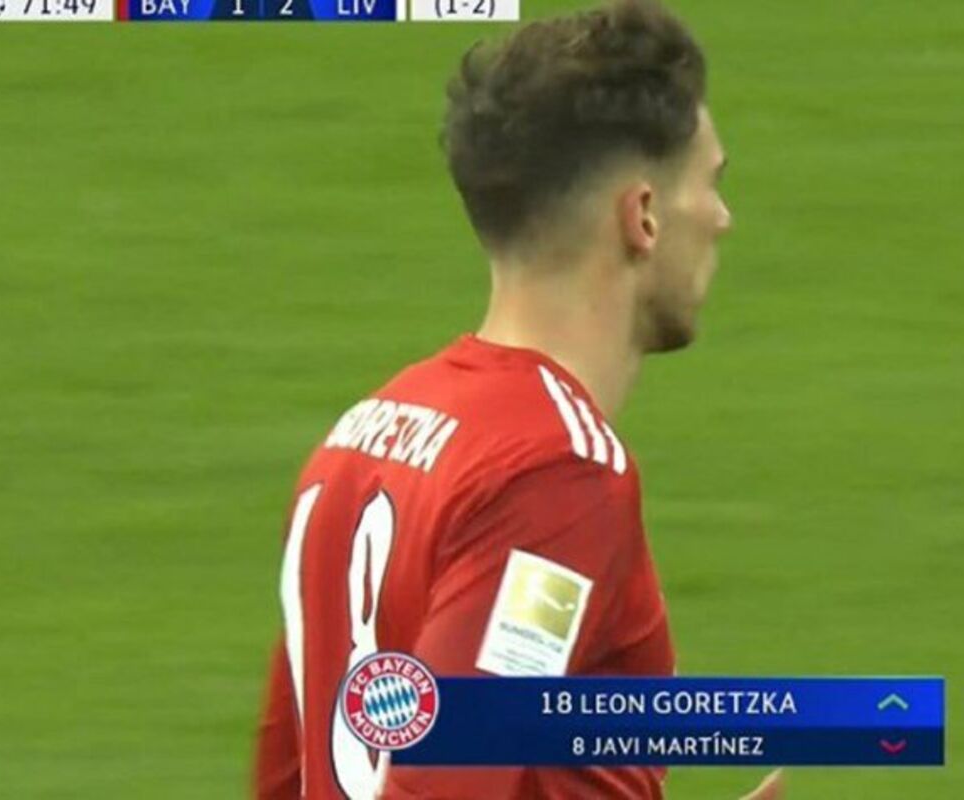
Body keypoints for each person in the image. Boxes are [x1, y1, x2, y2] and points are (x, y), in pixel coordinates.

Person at [252, 1, 779, 797]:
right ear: (641, 216)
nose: (723, 218)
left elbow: (286, 778)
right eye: (711, 184)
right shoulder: (555, 475)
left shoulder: (363, 435)